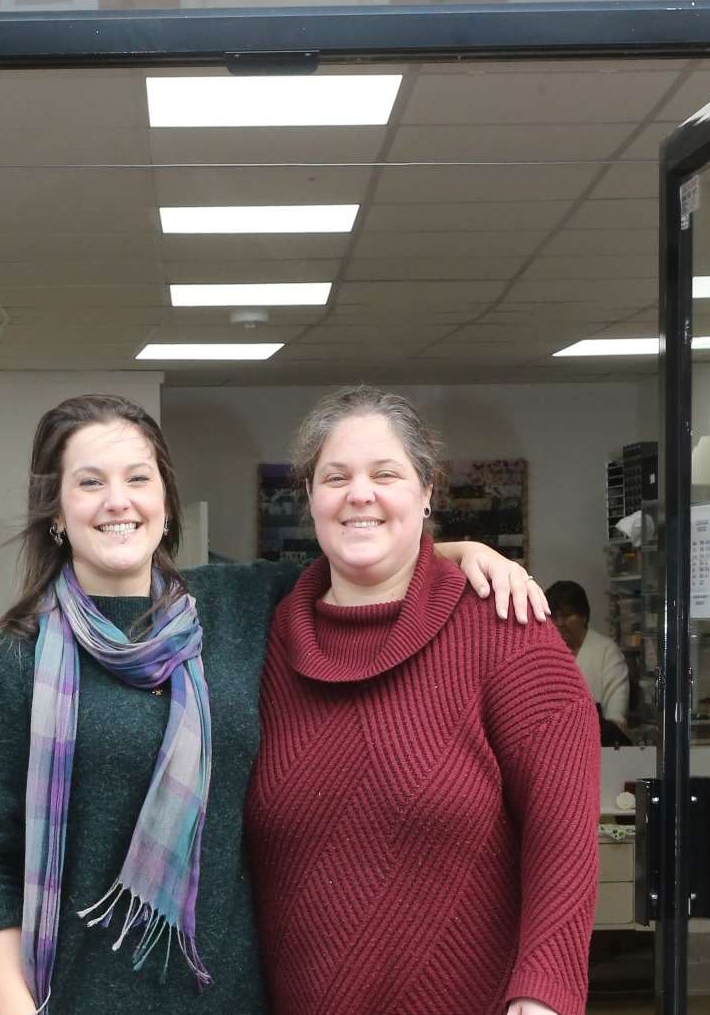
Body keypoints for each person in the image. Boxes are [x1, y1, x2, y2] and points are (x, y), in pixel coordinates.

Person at [0, 394, 547, 1015]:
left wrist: (467, 551)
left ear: (165, 503)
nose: (117, 500)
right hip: (67, 999)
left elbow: (361, 558)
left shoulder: (234, 608)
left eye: (137, 479)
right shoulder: (7, 666)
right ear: (57, 513)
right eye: (90, 482)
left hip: (226, 996)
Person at [246, 385, 600, 1015]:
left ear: (428, 490)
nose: (360, 494)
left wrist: (543, 994)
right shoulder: (261, 641)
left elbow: (564, 840)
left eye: (386, 473)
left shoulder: (506, 625)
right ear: (309, 496)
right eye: (336, 476)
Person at [547, 579, 632, 734]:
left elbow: (616, 719)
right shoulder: (544, 653)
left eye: (567, 615)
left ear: (584, 616)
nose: (560, 623)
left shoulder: (607, 652)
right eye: (554, 616)